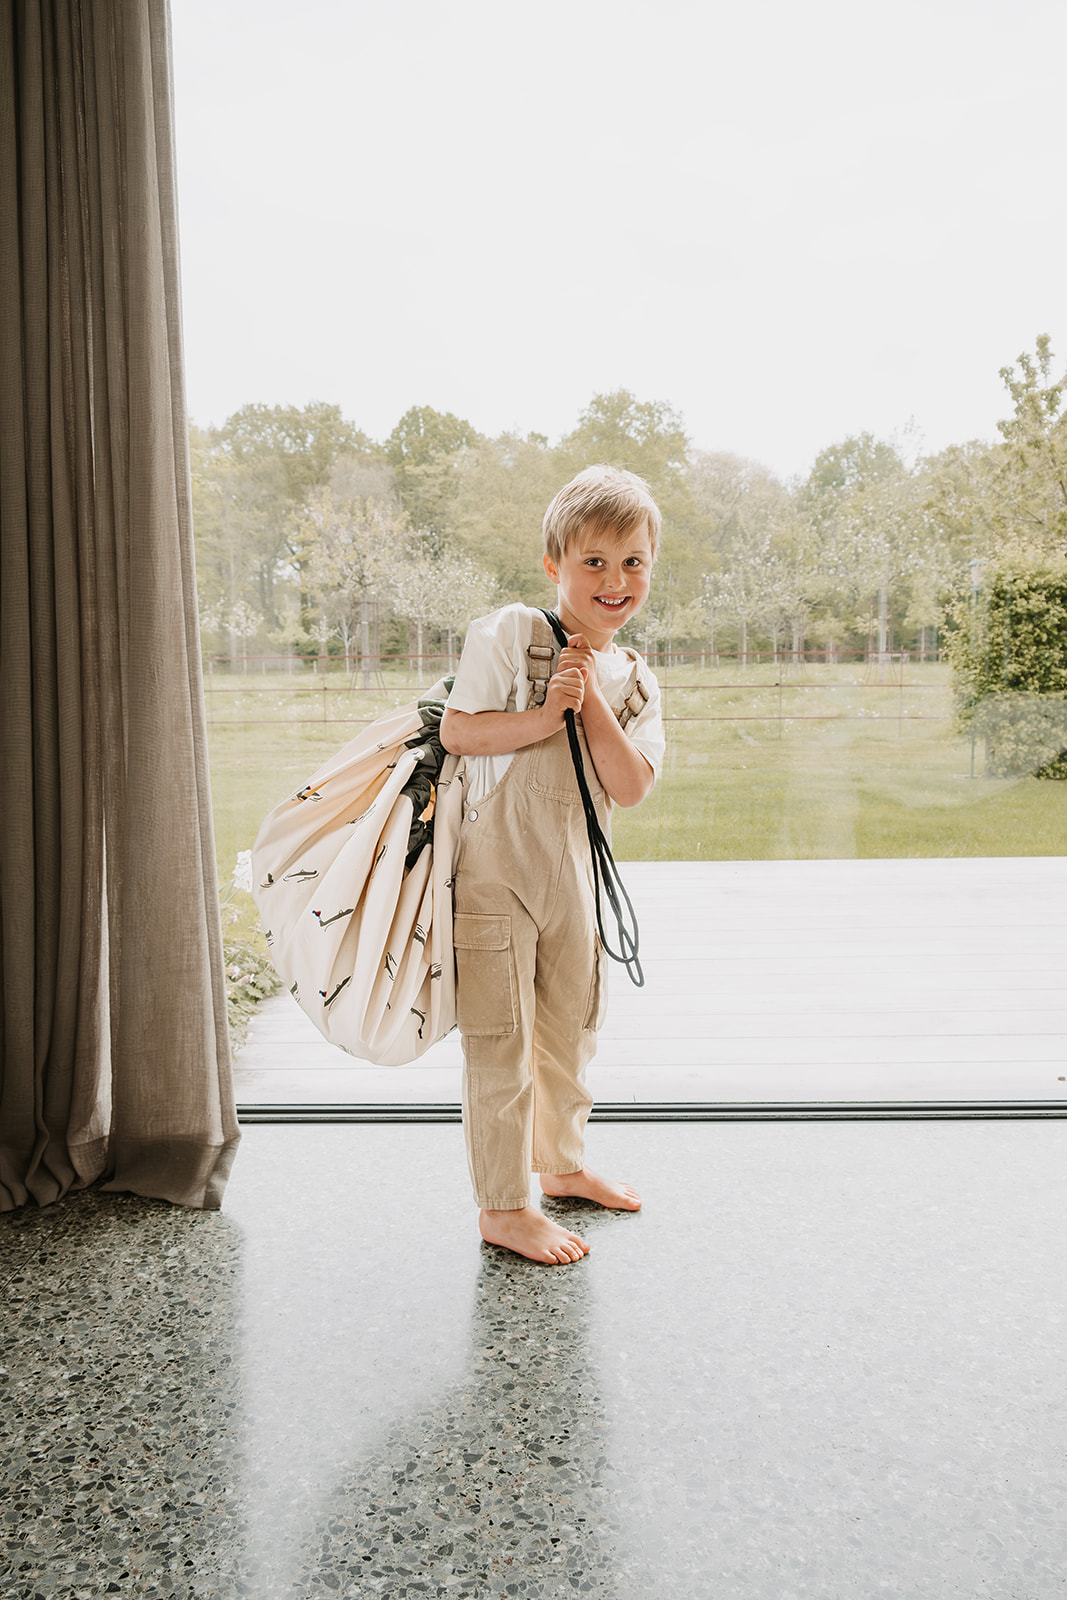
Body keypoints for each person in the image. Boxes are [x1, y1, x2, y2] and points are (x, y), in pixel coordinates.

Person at [439, 465, 665, 1265]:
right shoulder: (511, 633)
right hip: (495, 877)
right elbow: (461, 733)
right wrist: (544, 714)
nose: (614, 580)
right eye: (594, 561)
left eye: (632, 561)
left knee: (571, 1031)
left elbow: (630, 786)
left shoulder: (635, 678)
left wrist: (590, 696)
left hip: (573, 878)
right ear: (554, 564)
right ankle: (503, 1206)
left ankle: (561, 1168)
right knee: (502, 1041)